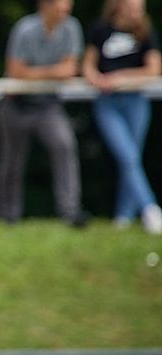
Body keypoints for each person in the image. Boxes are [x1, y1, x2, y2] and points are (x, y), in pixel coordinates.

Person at [0, 0, 90, 228]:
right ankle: (9, 216)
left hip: (47, 105)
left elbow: (70, 69)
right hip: (16, 104)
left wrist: (35, 73)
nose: (66, 10)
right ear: (45, 6)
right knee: (12, 162)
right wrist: (53, 72)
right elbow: (16, 71)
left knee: (64, 146)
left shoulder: (71, 27)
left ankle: (70, 211)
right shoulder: (25, 29)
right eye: (60, 5)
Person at [82, 0, 162, 235]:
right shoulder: (100, 29)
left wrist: (120, 77)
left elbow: (153, 69)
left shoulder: (145, 31)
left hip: (136, 101)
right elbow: (87, 65)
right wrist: (96, 78)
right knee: (127, 156)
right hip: (108, 102)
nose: (139, 11)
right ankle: (150, 208)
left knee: (131, 159)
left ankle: (123, 217)